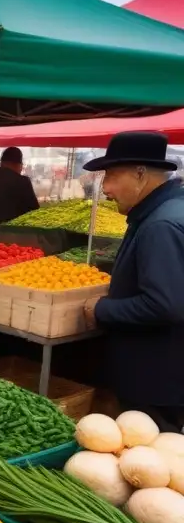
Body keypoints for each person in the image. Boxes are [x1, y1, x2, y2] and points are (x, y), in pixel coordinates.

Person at [81, 132, 184, 432]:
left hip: (157, 381)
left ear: (140, 174)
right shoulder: (163, 213)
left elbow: (164, 305)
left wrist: (102, 310)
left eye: (111, 176)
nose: (105, 188)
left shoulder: (160, 225)